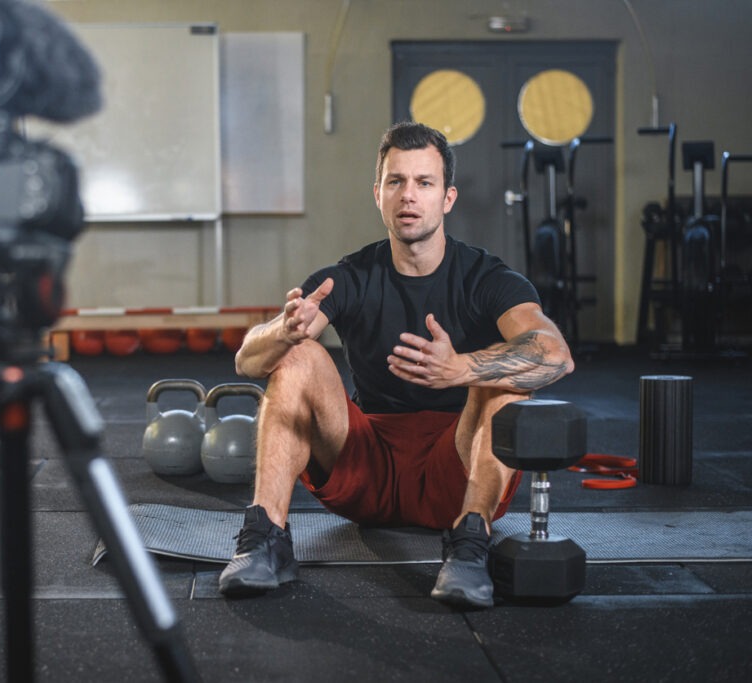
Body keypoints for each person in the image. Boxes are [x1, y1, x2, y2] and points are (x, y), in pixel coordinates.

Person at [218, 121, 574, 608]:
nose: (409, 195)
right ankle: (264, 539)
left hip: (459, 471)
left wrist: (463, 368)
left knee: (505, 375)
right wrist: (282, 332)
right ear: (378, 194)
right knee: (298, 354)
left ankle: (470, 548)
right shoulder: (348, 277)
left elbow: (555, 353)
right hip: (368, 470)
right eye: (396, 182)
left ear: (447, 198)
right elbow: (247, 361)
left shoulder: (487, 279)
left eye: (424, 183)